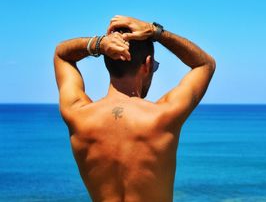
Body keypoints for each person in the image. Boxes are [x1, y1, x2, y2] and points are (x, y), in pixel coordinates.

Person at [53, 15, 216, 202]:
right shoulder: (163, 116)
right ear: (147, 65)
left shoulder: (77, 114)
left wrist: (99, 44)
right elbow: (205, 64)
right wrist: (155, 32)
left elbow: (61, 55)